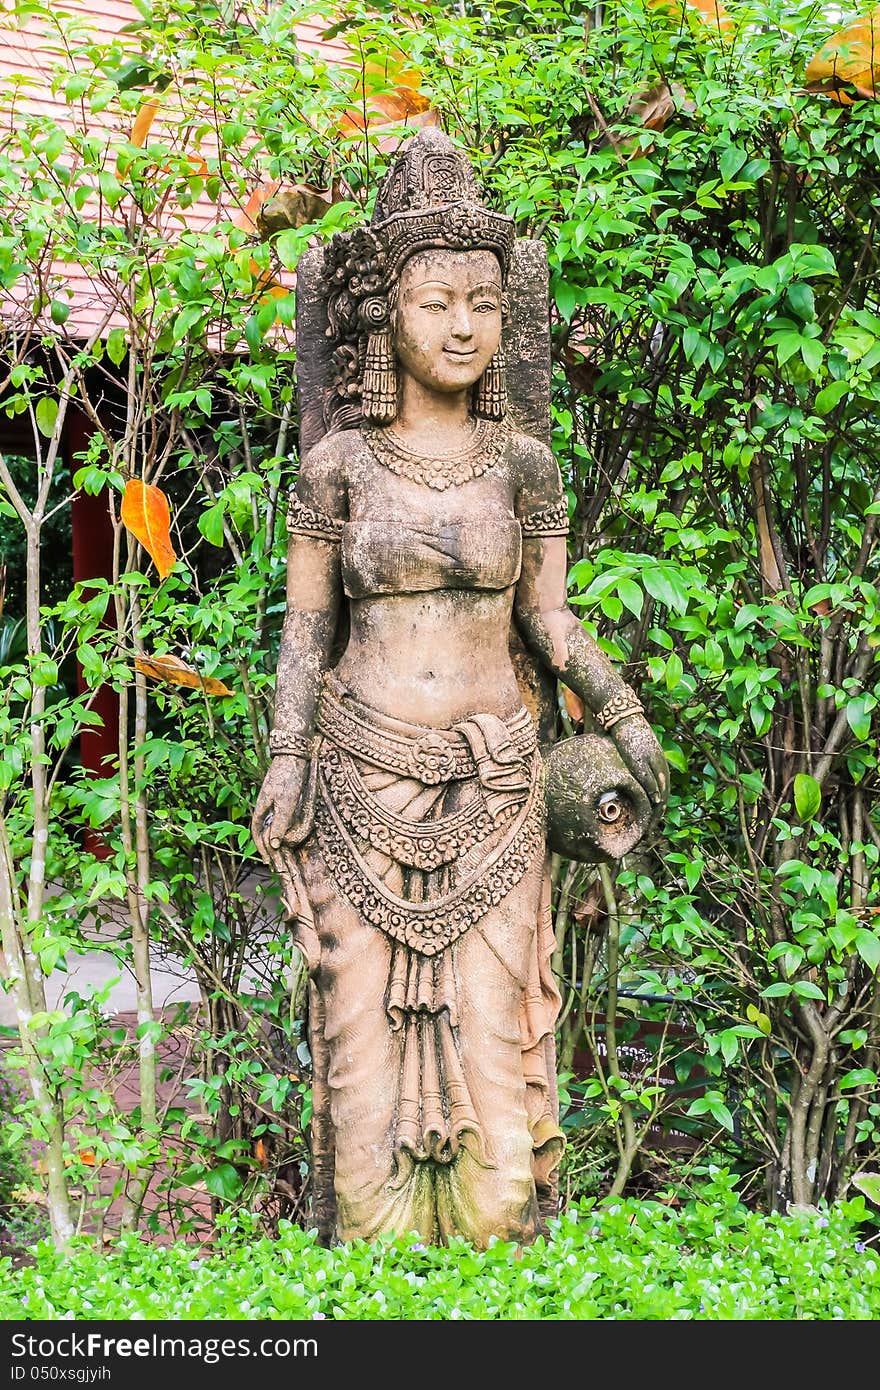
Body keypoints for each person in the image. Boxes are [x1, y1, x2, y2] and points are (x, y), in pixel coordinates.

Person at [252, 129, 667, 1247]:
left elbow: (547, 616)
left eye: (482, 303)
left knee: (495, 1048)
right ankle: (374, 1276)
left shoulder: (522, 465)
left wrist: (622, 715)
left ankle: (495, 1270)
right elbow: (305, 624)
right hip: (357, 783)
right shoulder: (336, 465)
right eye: (435, 301)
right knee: (359, 1062)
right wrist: (287, 758)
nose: (462, 327)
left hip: (494, 795)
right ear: (387, 316)